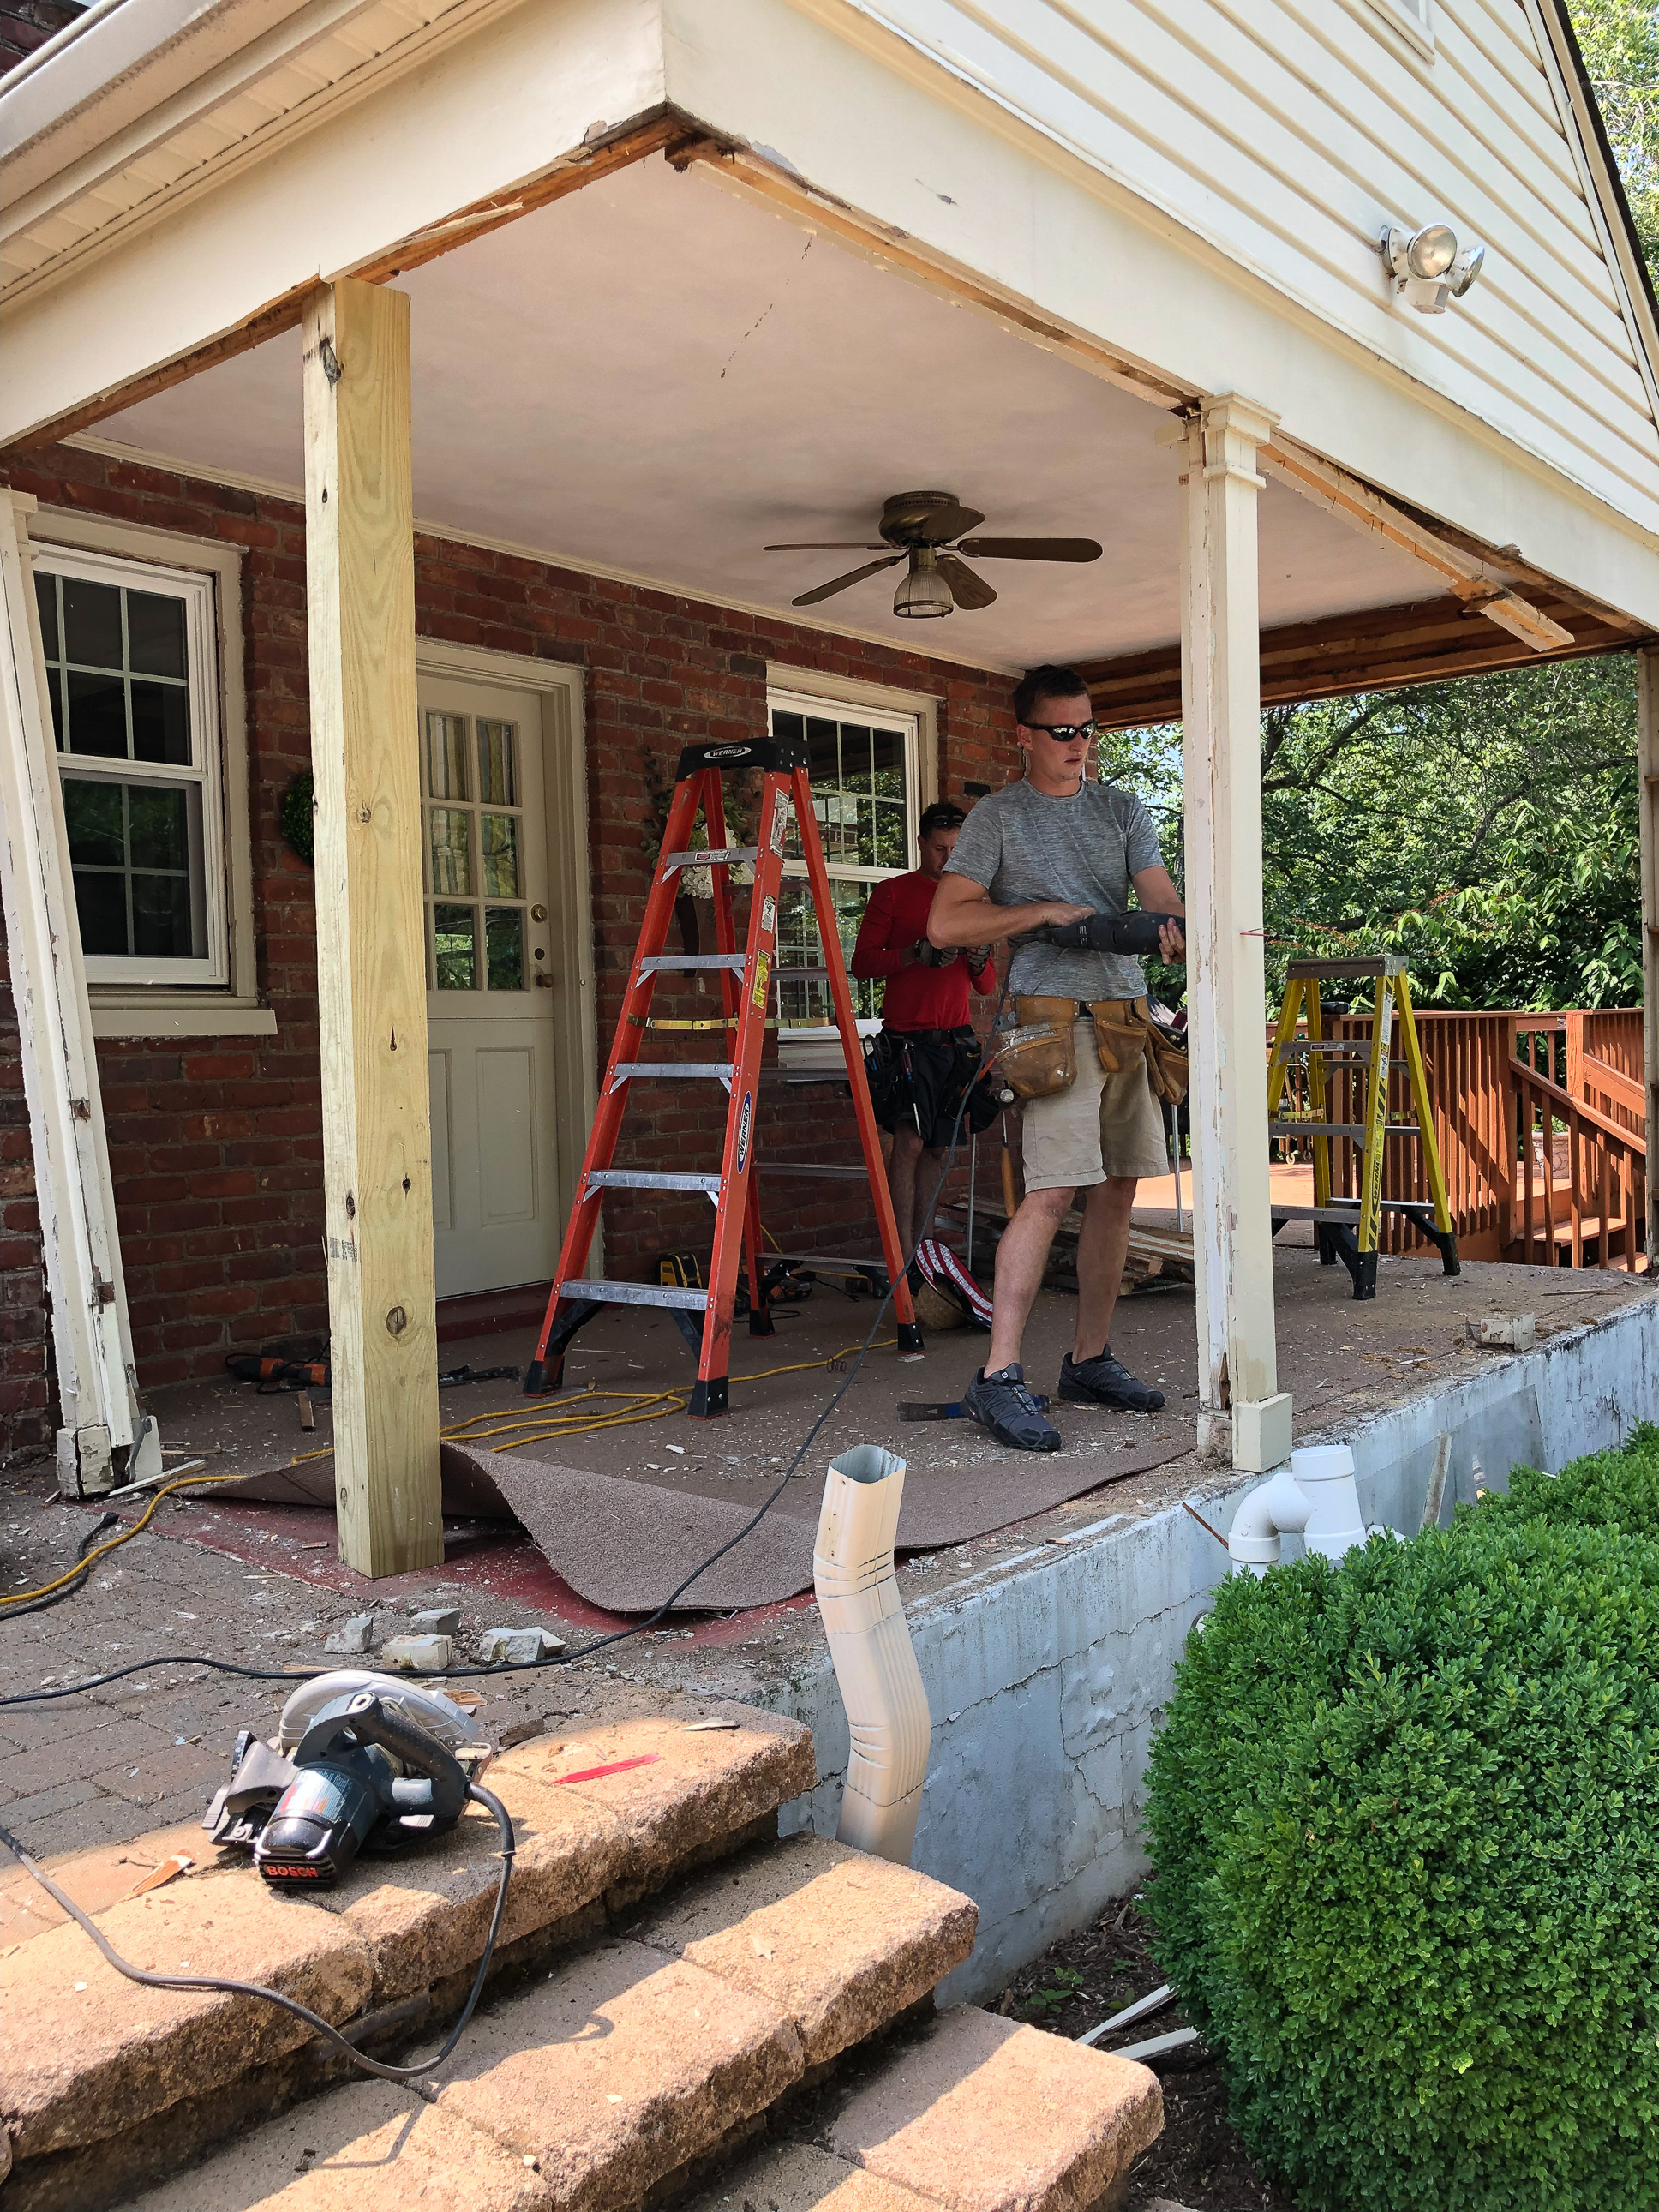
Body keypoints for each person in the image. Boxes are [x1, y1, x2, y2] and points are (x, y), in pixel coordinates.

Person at [926, 666, 1186, 1452]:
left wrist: (1169, 922)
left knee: (1116, 1191)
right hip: (1050, 1021)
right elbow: (944, 923)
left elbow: (1160, 894)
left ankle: (1088, 1359)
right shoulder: (1000, 818)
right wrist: (1038, 911)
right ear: (1025, 737)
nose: (1080, 745)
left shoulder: (1122, 808)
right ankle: (999, 1375)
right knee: (1050, 1193)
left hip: (1126, 1015)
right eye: (1063, 732)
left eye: (1088, 729)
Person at [852, 800, 997, 1253]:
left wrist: (980, 958)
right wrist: (915, 953)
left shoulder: (973, 899)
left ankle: (926, 1249)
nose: (948, 859)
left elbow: (986, 986)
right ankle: (899, 1253)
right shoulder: (893, 893)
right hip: (907, 1041)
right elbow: (861, 964)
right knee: (909, 1145)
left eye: (956, 848)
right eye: (939, 849)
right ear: (920, 844)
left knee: (937, 1148)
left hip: (954, 1042)